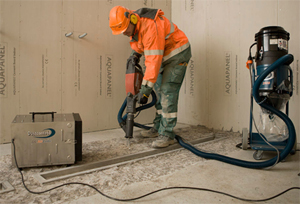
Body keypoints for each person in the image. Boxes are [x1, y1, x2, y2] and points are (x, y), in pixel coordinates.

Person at [109, 6, 191, 148]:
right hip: (162, 56)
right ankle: (158, 127)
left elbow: (153, 61)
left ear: (132, 19)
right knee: (158, 92)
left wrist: (145, 91)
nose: (124, 33)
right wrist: (134, 54)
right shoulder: (136, 24)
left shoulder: (150, 26)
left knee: (167, 92)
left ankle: (167, 134)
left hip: (177, 54)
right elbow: (142, 42)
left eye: (125, 30)